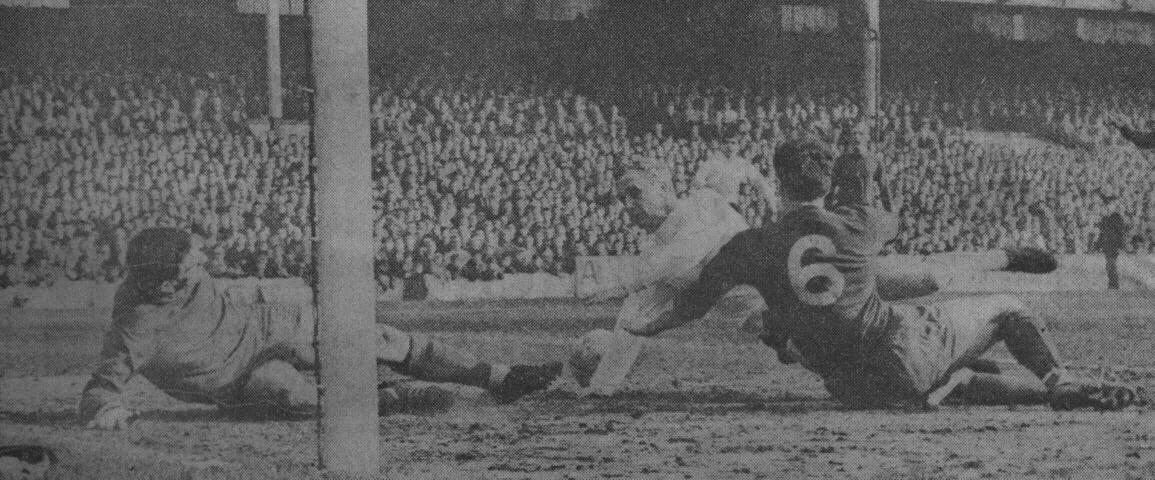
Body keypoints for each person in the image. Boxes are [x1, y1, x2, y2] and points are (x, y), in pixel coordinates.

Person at [628, 138, 1138, 411]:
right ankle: (1060, 381)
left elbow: (694, 299)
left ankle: (1008, 389)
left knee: (950, 374)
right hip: (894, 352)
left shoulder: (748, 246)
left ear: (779, 184)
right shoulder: (860, 223)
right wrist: (874, 176)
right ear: (827, 184)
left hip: (845, 385)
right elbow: (893, 219)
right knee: (1006, 307)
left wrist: (648, 325)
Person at [80, 228, 562, 430]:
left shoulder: (178, 275)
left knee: (374, 336)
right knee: (290, 394)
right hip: (237, 379)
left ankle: (501, 377)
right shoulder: (137, 327)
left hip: (268, 326)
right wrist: (107, 411)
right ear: (167, 282)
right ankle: (391, 398)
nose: (204, 262)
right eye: (194, 261)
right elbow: (103, 387)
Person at [579, 164, 766, 396]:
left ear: (663, 187)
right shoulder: (654, 252)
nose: (627, 205)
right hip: (758, 318)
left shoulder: (704, 201)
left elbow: (685, 253)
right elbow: (633, 316)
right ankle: (602, 384)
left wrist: (626, 286)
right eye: (622, 199)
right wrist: (600, 385)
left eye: (635, 193)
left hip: (785, 293)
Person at [1097, 200, 1127, 290]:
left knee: (1111, 264)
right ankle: (1112, 284)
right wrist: (1099, 245)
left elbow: (1120, 233)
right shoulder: (1105, 218)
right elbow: (1102, 233)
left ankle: (1114, 285)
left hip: (1114, 245)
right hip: (1107, 245)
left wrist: (1120, 245)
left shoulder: (1116, 218)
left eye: (1109, 205)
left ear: (1114, 206)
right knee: (1109, 265)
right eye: (1106, 206)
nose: (1107, 207)